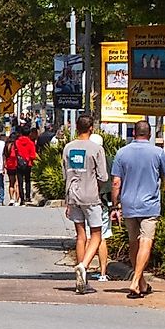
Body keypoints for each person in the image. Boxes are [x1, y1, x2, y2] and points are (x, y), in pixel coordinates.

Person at [111, 121, 165, 298]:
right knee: (146, 241)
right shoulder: (158, 153)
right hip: (149, 205)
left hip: (128, 204)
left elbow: (116, 183)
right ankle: (136, 282)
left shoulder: (121, 153)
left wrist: (115, 204)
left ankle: (141, 282)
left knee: (133, 242)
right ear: (149, 134)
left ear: (134, 133)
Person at [64, 115, 111, 293]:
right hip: (91, 196)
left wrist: (68, 199)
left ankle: (80, 279)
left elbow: (65, 173)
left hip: (73, 196)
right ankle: (83, 266)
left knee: (80, 236)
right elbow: (103, 176)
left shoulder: (68, 148)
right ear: (91, 128)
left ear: (76, 127)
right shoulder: (96, 149)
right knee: (97, 234)